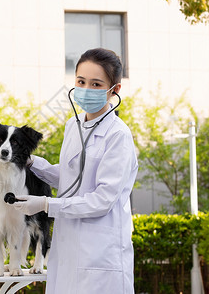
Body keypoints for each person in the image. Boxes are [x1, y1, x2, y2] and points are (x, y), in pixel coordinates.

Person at [10, 48, 138, 293]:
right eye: (81, 81)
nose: (86, 89)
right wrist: (31, 162)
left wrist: (47, 204)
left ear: (115, 90)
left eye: (96, 84)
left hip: (100, 254)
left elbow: (102, 200)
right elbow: (72, 179)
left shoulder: (118, 136)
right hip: (67, 248)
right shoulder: (74, 125)